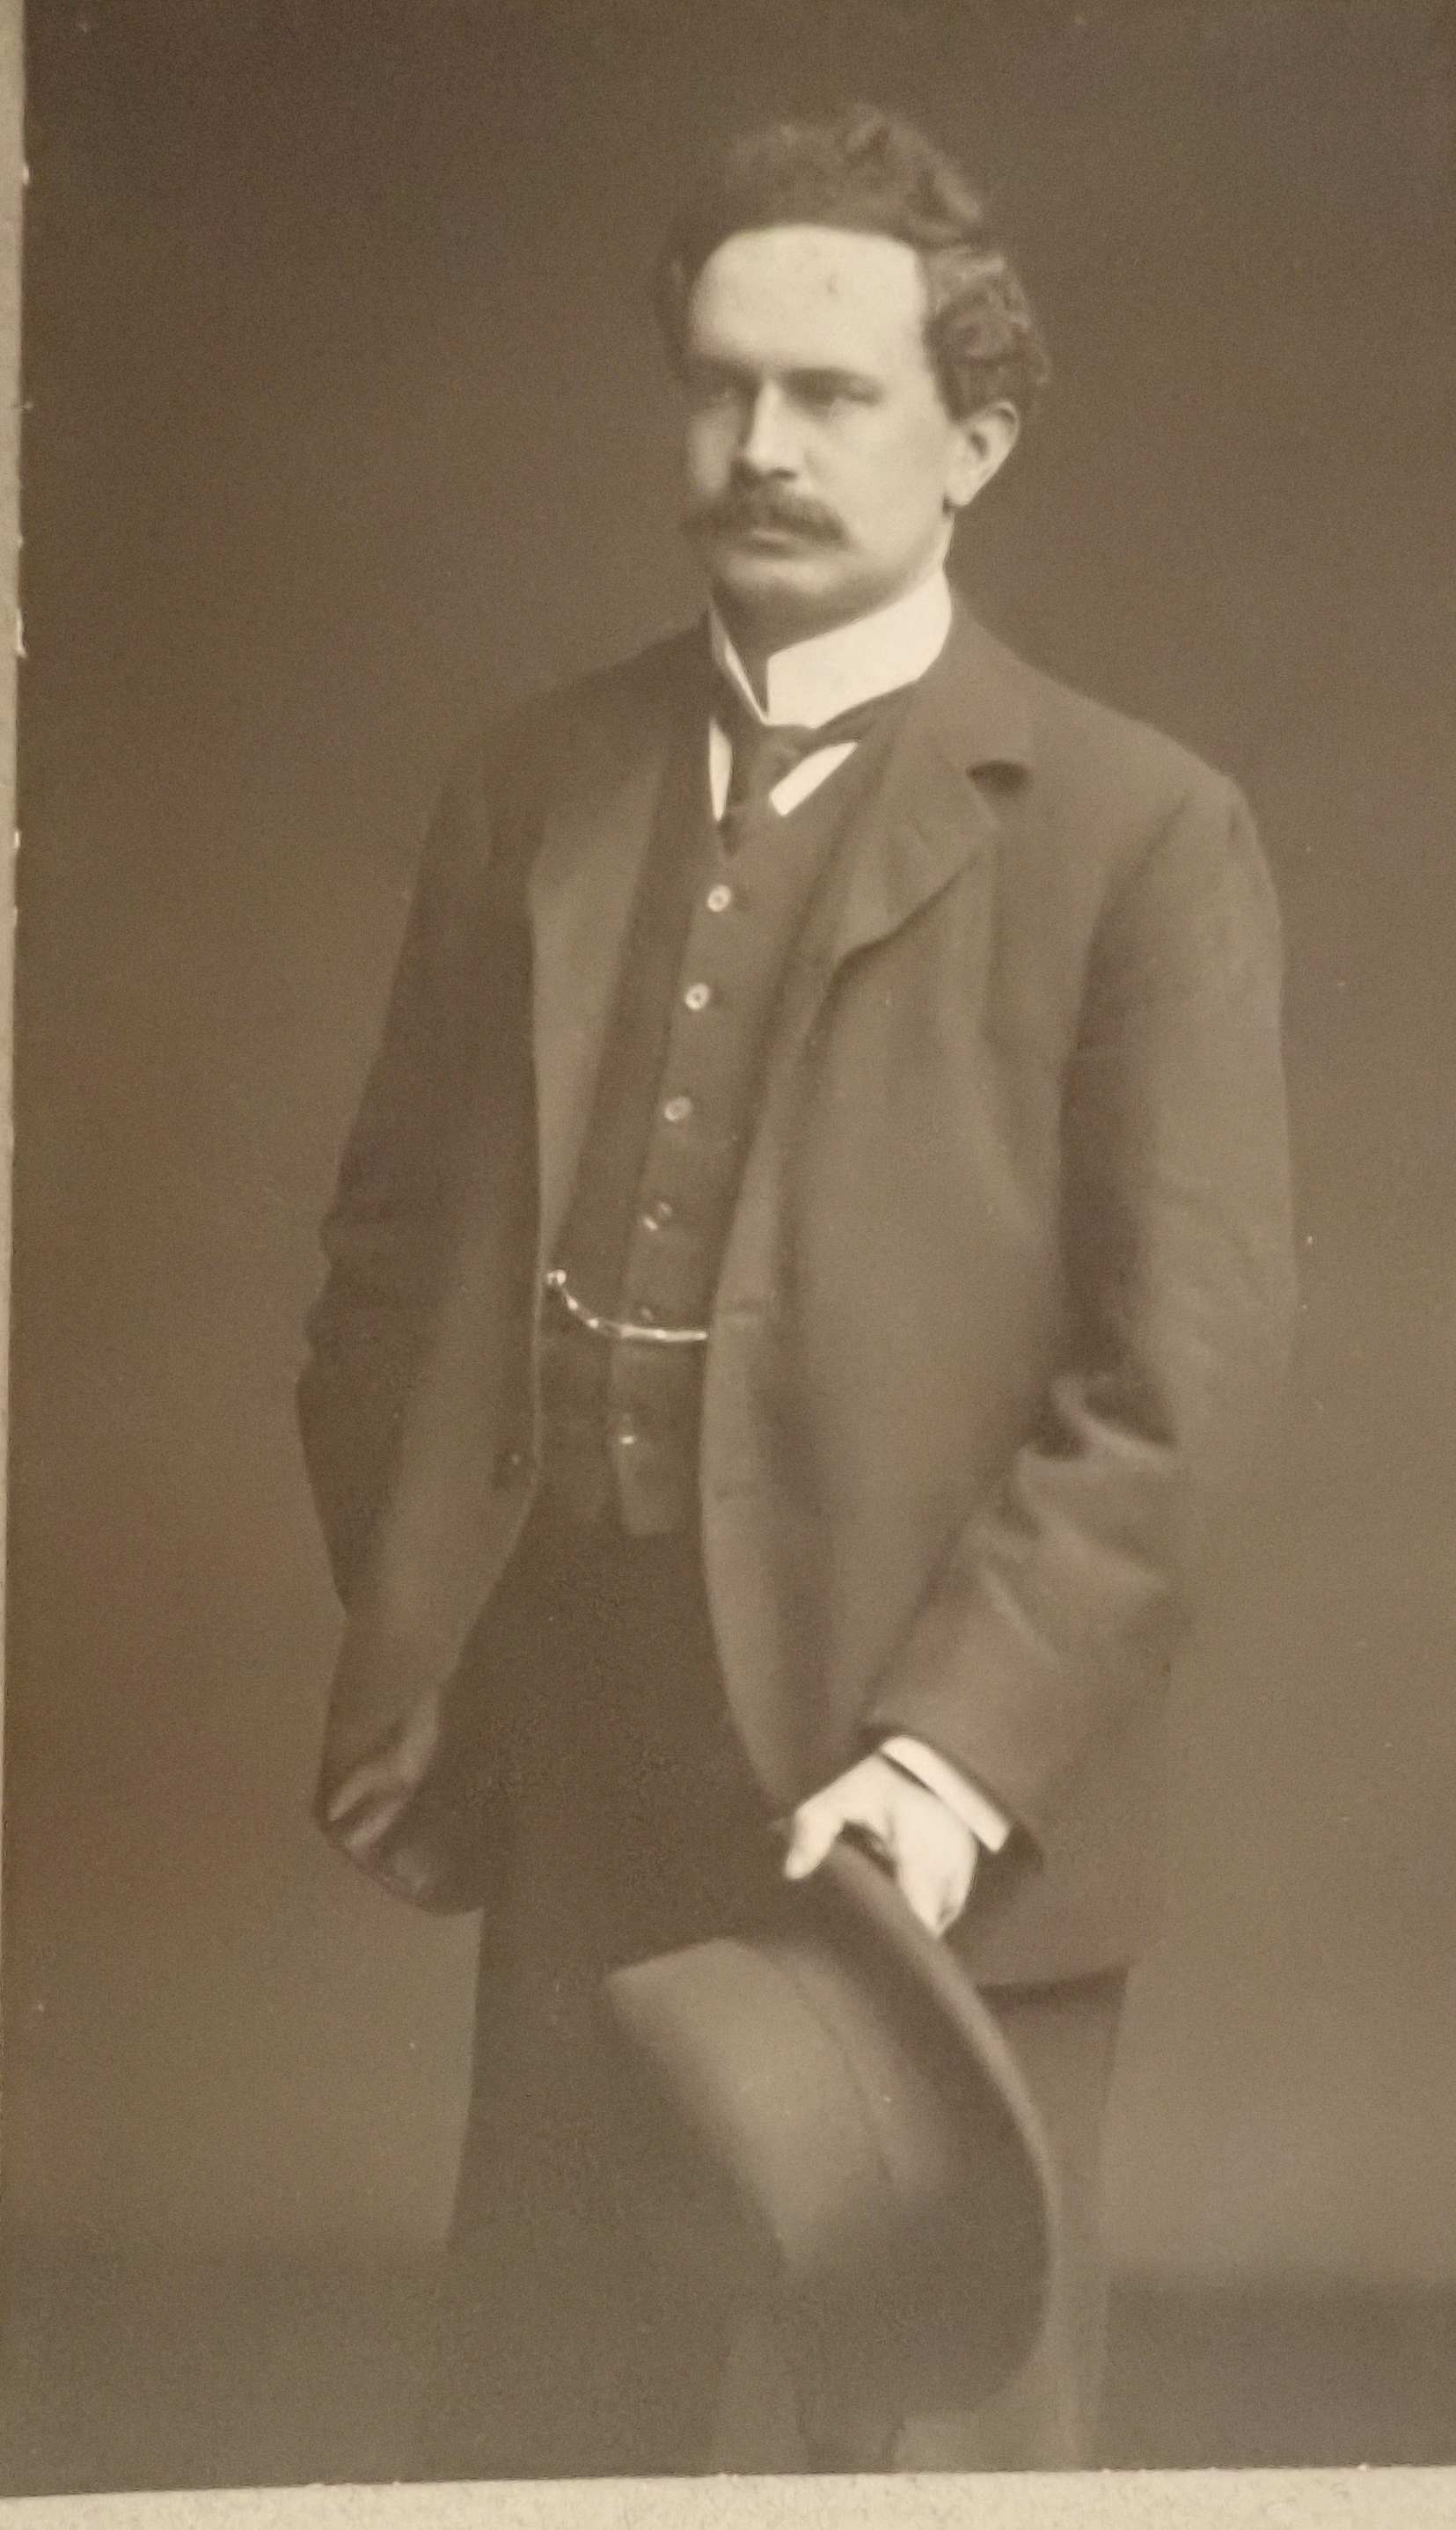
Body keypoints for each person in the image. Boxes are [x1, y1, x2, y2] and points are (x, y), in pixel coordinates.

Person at [298, 103, 1295, 2476]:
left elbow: (1184, 1375)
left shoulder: (1141, 834)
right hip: (585, 1764)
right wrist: (445, 1611)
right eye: (722, 386)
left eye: (832, 395)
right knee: (547, 2421)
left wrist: (947, 1760)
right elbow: (379, 1271)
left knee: (921, 2448)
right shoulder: (533, 788)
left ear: (978, 433)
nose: (761, 448)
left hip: (930, 1801)